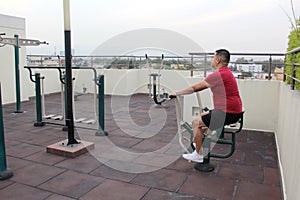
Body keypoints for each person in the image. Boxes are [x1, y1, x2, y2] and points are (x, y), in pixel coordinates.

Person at [169, 49, 243, 163]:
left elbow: (195, 88)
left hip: (228, 113)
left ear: (218, 60)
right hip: (232, 111)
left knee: (195, 123)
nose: (212, 60)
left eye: (213, 58)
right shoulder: (226, 72)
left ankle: (198, 154)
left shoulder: (219, 75)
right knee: (204, 115)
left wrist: (177, 93)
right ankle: (198, 141)